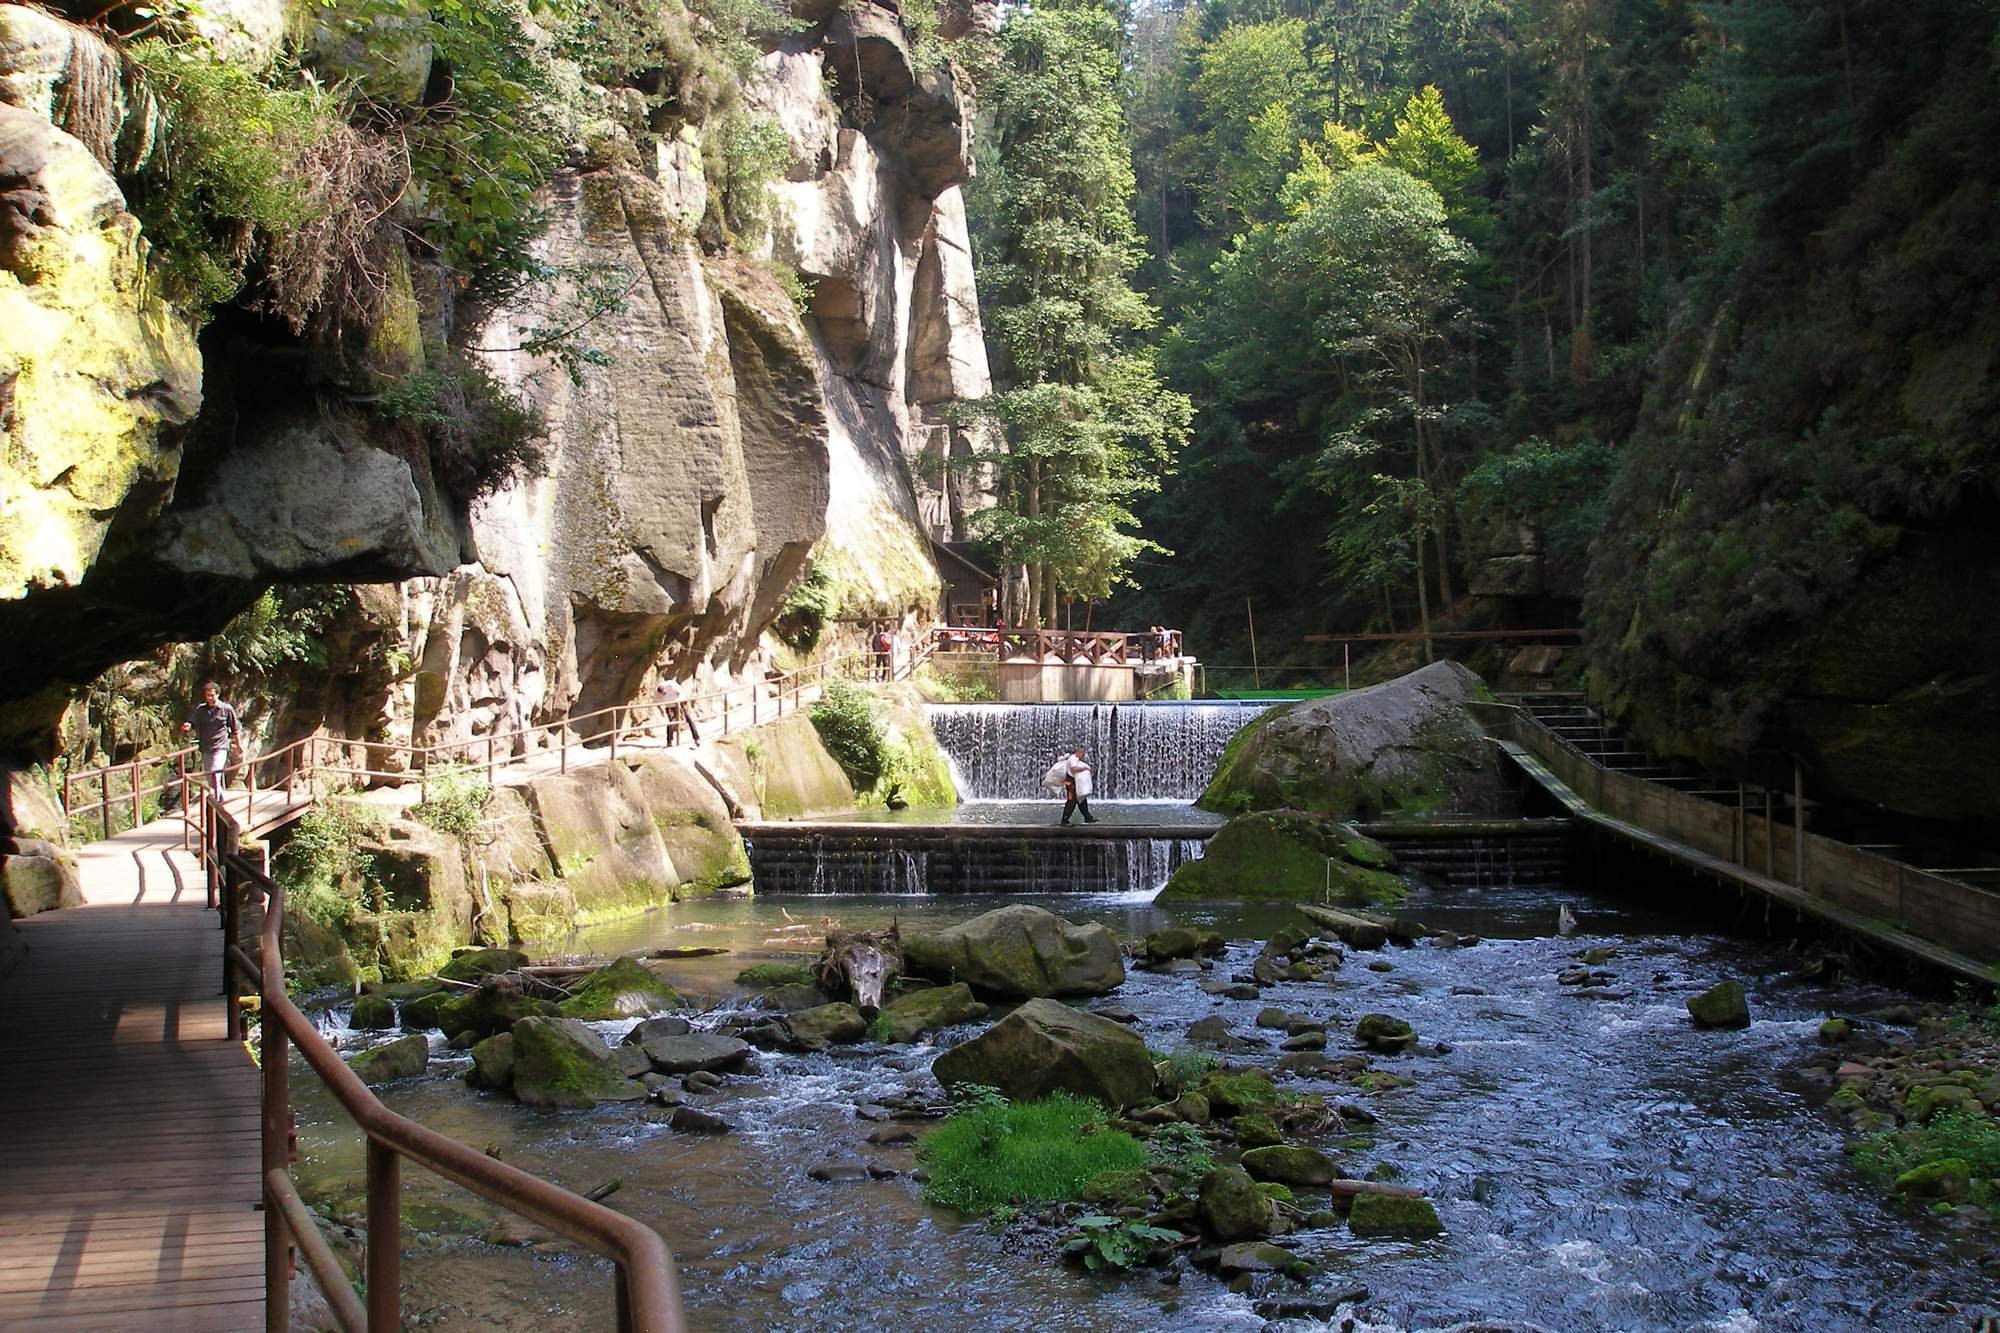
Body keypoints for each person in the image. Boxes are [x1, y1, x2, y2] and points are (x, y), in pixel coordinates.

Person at [181, 678, 243, 804]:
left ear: (218, 694)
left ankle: (218, 804)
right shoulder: (201, 709)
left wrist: (239, 747)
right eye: (207, 695)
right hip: (206, 748)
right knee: (210, 778)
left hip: (220, 747)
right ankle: (218, 799)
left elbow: (235, 729)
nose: (210, 698)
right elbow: (192, 721)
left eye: (212, 695)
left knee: (215, 773)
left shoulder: (227, 709)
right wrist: (187, 725)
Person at [1042, 747, 1097, 826]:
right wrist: (1085, 768)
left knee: (1081, 799)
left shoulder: (1074, 759)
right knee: (1071, 801)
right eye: (1083, 754)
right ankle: (1064, 820)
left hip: (1073, 783)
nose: (1083, 756)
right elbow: (1074, 768)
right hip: (1071, 784)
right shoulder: (1073, 759)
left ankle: (1088, 817)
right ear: (1079, 753)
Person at [652, 677, 700, 745]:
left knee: (689, 718)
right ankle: (669, 741)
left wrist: (681, 706)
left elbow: (680, 693)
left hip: (680, 701)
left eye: (665, 692)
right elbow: (657, 703)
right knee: (671, 722)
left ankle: (696, 738)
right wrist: (661, 710)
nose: (664, 694)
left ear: (665, 688)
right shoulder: (656, 693)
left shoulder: (671, 684)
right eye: (663, 694)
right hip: (670, 705)